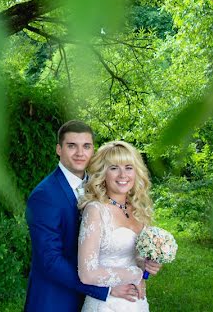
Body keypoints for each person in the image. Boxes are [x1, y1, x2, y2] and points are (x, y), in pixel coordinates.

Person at [25, 121, 143, 312]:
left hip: (95, 301)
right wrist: (106, 289)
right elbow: (50, 261)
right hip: (56, 300)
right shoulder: (44, 196)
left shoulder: (99, 188)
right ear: (58, 149)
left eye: (86, 146)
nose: (80, 153)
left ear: (93, 150)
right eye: (72, 146)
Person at [77, 140, 160, 312]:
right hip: (106, 304)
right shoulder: (95, 210)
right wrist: (136, 276)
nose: (123, 175)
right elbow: (87, 273)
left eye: (128, 167)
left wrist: (147, 265)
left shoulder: (138, 209)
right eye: (114, 168)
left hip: (136, 303)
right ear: (103, 174)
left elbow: (134, 257)